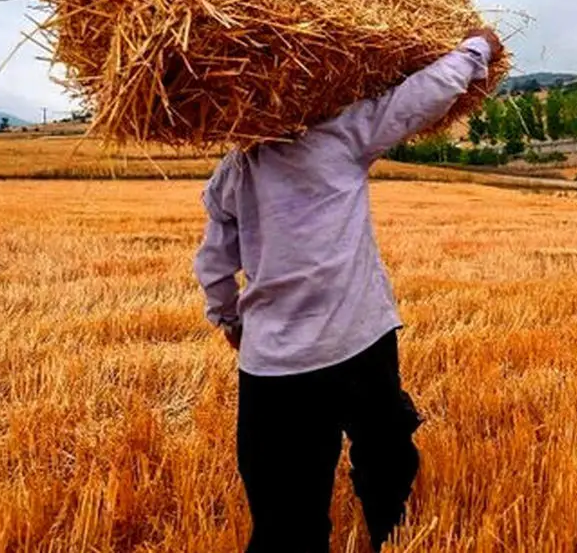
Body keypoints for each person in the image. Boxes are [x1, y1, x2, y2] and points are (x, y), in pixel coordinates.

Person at [193, 29, 503, 553]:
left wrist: (230, 322)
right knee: (386, 461)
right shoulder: (341, 136)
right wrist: (478, 49)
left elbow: (215, 266)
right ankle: (392, 535)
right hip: (358, 341)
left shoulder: (234, 170)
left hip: (273, 366)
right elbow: (420, 96)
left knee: (283, 515)